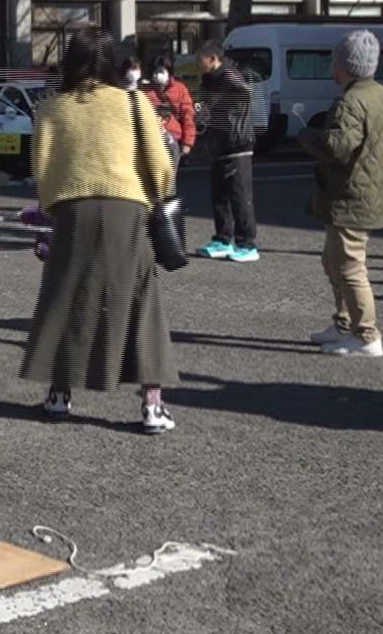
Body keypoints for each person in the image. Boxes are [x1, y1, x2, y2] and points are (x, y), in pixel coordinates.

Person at [22, 29, 179, 433]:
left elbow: (41, 170)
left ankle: (59, 393)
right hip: (128, 207)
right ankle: (151, 405)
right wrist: (159, 193)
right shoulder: (132, 101)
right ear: (112, 62)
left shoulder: (52, 108)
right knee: (141, 301)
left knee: (67, 296)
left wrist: (55, 205)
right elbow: (161, 164)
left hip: (72, 209)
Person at [297, 30, 383, 358]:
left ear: (344, 65)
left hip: (349, 197)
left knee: (349, 266)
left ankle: (366, 335)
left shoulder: (351, 101)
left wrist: (307, 135)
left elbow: (335, 147)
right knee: (333, 260)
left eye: (335, 61)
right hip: (366, 193)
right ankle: (344, 324)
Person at [194, 41, 260, 263]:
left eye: (199, 59)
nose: (196, 64)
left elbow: (244, 96)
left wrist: (216, 110)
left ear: (213, 58)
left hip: (237, 144)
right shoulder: (210, 79)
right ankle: (223, 239)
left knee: (239, 195)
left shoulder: (229, 76)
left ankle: (247, 243)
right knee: (219, 195)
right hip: (218, 144)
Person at [144, 54, 197, 165]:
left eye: (161, 71)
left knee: (169, 178)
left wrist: (187, 142)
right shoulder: (146, 91)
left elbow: (187, 116)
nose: (158, 74)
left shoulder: (179, 89)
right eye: (155, 71)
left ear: (169, 71)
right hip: (151, 140)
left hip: (173, 139)